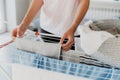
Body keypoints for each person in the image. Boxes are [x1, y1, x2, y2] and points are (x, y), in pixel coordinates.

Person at [12, 0, 90, 51]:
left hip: (71, 33)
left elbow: (84, 1)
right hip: (46, 30)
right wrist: (24, 24)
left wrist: (73, 27)